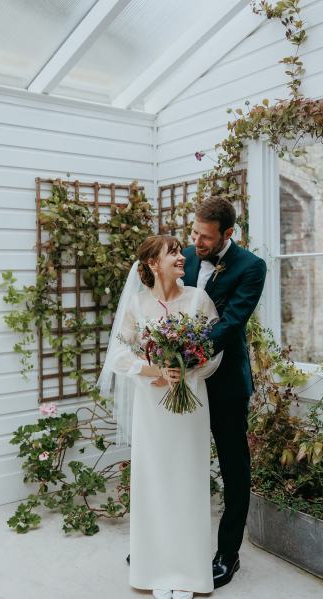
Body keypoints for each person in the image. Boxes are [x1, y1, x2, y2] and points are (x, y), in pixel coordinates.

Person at [98, 235, 223, 599]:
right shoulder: (137, 304)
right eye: (172, 252)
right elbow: (118, 354)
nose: (181, 256)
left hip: (190, 404)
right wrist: (155, 371)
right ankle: (153, 571)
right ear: (153, 263)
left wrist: (187, 372)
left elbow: (214, 350)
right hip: (151, 408)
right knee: (154, 482)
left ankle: (188, 573)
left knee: (188, 479)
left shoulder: (198, 299)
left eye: (180, 251)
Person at [181, 197, 267, 589]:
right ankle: (171, 545)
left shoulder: (251, 267)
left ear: (227, 234)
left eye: (205, 237)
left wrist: (185, 353)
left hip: (226, 382)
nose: (196, 241)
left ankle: (227, 554)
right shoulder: (185, 254)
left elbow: (231, 323)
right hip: (181, 381)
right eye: (194, 232)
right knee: (180, 461)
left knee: (234, 468)